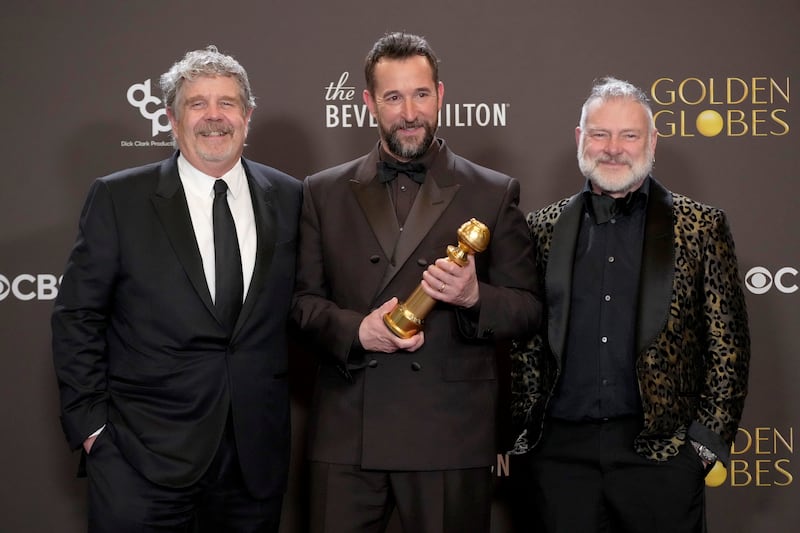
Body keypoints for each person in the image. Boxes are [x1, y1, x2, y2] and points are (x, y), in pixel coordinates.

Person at [291, 32, 542, 533]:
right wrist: (358, 331)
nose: (410, 111)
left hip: (448, 434)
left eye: (421, 94)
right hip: (348, 434)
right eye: (393, 97)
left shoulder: (492, 192)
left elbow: (529, 309)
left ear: (441, 95)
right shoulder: (322, 191)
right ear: (368, 103)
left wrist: (474, 297)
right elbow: (301, 305)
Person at [52, 45, 302, 532]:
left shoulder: (291, 197)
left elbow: (307, 304)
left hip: (253, 462)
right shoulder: (119, 197)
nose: (215, 117)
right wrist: (92, 429)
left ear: (248, 117)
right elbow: (77, 316)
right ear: (170, 117)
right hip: (140, 459)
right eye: (197, 103)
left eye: (228, 103)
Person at [508, 76, 751, 532]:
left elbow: (729, 347)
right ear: (581, 139)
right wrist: (527, 435)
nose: (613, 148)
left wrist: (702, 446)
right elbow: (524, 341)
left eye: (629, 135)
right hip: (559, 461)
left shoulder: (700, 226)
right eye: (600, 133)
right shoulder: (541, 227)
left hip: (660, 458)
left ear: (652, 142)